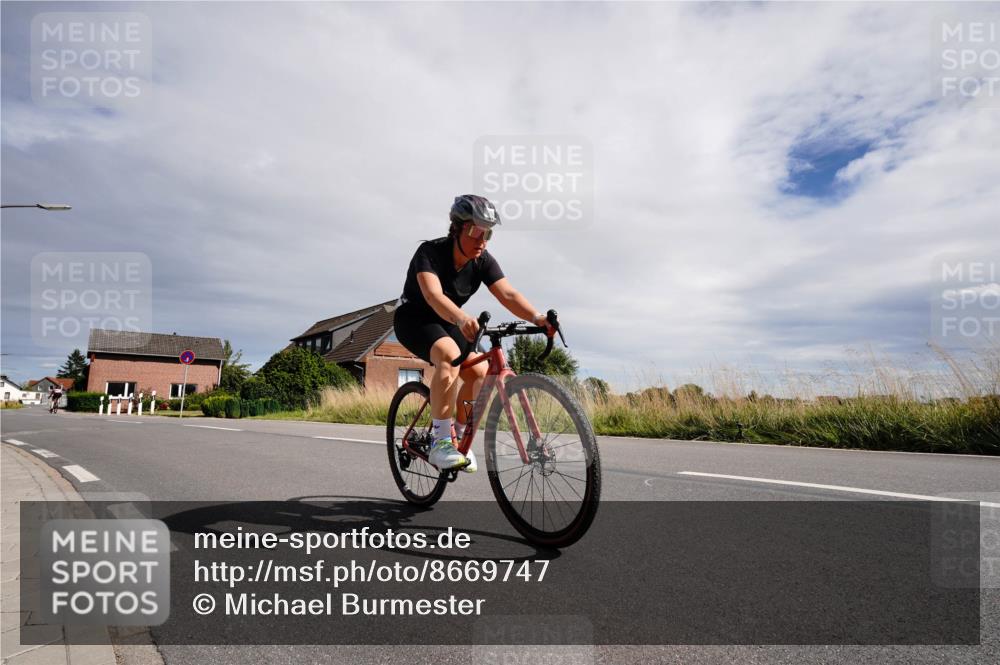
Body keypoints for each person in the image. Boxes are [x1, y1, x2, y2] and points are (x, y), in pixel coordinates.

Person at [393, 194, 555, 471]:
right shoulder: (429, 253)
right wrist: (461, 317)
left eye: (488, 233)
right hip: (414, 319)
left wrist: (537, 317)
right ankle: (440, 442)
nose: (482, 240)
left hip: (448, 323)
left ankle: (457, 435)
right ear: (456, 229)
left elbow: (508, 293)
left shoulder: (482, 260)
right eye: (475, 231)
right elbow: (432, 296)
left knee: (479, 372)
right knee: (448, 354)